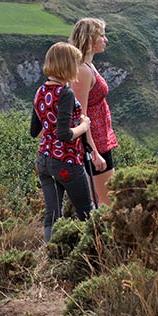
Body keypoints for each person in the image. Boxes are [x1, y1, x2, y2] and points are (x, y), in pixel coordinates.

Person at [30, 42, 93, 242]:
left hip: (43, 160)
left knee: (52, 213)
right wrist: (84, 125)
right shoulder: (65, 93)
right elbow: (64, 135)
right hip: (66, 160)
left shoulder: (40, 91)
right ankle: (93, 252)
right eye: (75, 63)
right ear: (67, 66)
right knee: (86, 211)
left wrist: (50, 127)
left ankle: (51, 253)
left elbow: (34, 131)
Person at [69, 17, 119, 207]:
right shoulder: (82, 70)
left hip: (99, 139)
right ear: (90, 39)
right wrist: (92, 152)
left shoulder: (87, 66)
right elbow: (80, 115)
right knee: (106, 199)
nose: (105, 40)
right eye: (102, 35)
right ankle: (102, 235)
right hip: (94, 142)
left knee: (103, 197)